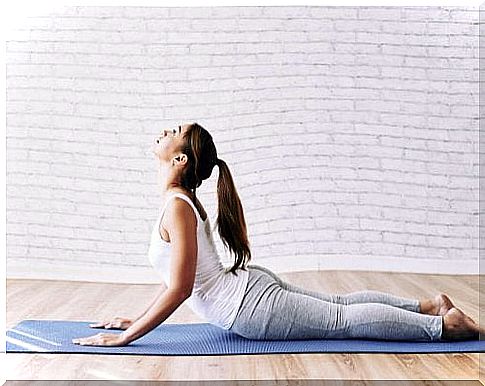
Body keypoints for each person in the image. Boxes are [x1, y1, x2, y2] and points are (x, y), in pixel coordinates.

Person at [73, 122, 482, 347]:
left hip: (250, 308)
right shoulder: (179, 202)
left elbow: (180, 289)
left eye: (173, 130)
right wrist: (139, 317)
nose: (163, 129)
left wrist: (130, 335)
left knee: (341, 319)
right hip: (249, 291)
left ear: (179, 158)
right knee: (339, 307)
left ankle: (443, 326)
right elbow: (180, 283)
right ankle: (428, 305)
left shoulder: (178, 206)